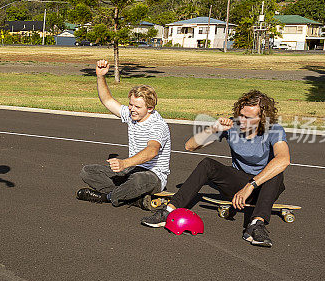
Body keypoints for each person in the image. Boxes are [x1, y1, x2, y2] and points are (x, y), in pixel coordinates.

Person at [141, 90, 291, 248]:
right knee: (208, 164)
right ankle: (168, 211)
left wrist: (251, 185)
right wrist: (213, 128)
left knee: (276, 170)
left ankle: (256, 225)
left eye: (248, 118)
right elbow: (190, 146)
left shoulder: (274, 130)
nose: (242, 121)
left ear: (263, 118)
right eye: (241, 115)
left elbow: (284, 159)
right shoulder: (232, 126)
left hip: (264, 188)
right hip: (238, 184)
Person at [76, 59, 171, 208]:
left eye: (137, 106)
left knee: (138, 180)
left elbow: (152, 150)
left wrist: (124, 163)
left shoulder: (158, 125)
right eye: (131, 104)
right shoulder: (131, 115)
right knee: (88, 172)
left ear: (150, 108)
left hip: (152, 176)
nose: (132, 109)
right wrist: (101, 76)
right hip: (130, 170)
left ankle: (106, 197)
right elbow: (107, 100)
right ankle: (134, 199)